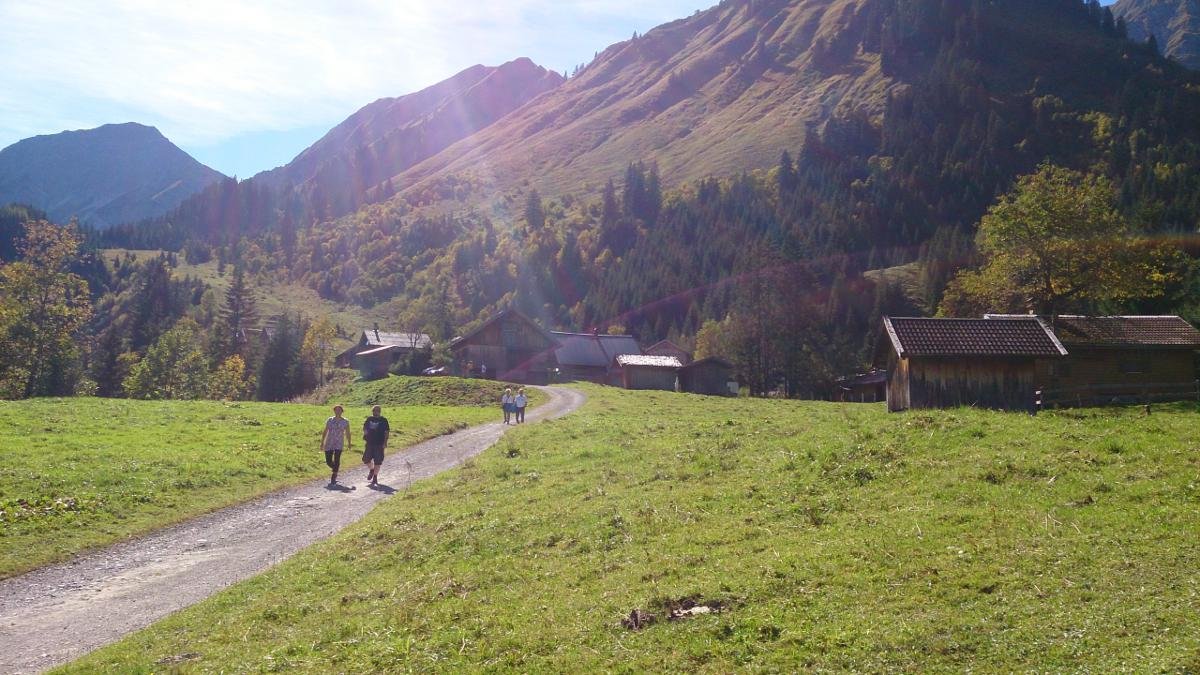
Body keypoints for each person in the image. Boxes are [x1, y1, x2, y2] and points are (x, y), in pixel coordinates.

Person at [320, 405, 351, 484]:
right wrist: (322, 442)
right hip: (329, 441)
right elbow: (325, 431)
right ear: (334, 411)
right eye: (336, 410)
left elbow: (348, 433)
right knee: (328, 461)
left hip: (339, 442)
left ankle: (334, 474)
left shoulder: (345, 421)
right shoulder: (330, 420)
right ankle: (335, 468)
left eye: (339, 410)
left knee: (337, 459)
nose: (337, 412)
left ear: (342, 411)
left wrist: (349, 443)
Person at [362, 405, 390, 486]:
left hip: (379, 443)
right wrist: (365, 432)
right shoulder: (369, 419)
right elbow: (365, 427)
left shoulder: (384, 420)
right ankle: (371, 469)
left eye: (377, 410)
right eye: (374, 410)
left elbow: (386, 432)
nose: (375, 412)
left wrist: (385, 442)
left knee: (378, 461)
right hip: (369, 443)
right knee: (366, 459)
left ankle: (375, 477)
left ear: (380, 411)